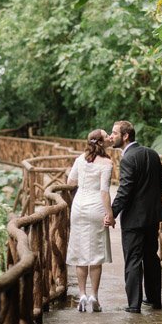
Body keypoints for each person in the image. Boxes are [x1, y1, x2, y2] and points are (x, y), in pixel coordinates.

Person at [105, 120, 162, 313]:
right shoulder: (152, 154)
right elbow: (161, 184)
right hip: (153, 216)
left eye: (114, 133)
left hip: (134, 219)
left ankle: (134, 304)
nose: (111, 136)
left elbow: (124, 191)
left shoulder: (128, 159)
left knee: (133, 259)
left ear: (125, 136)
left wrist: (112, 213)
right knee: (151, 257)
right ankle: (155, 299)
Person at [66, 129, 114, 312]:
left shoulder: (80, 159)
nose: (110, 136)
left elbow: (70, 183)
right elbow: (104, 191)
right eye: (106, 135)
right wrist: (109, 214)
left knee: (80, 252)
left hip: (78, 207)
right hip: (96, 207)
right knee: (95, 254)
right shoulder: (107, 163)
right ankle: (94, 296)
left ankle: (82, 295)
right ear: (101, 142)